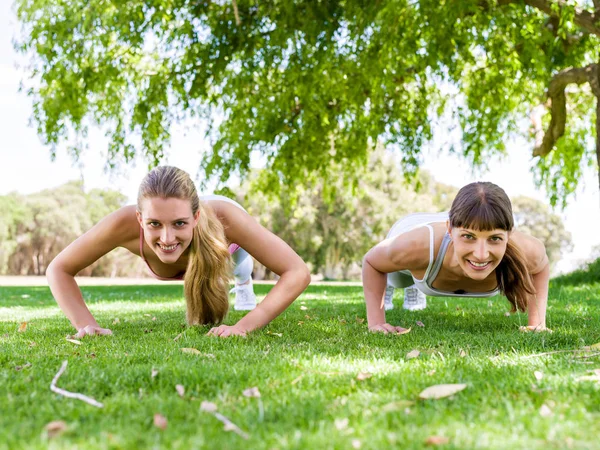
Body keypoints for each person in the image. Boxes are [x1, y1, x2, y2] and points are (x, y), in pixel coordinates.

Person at [46, 166, 311, 338]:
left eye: (179, 224)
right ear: (140, 219)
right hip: (196, 222)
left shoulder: (226, 219)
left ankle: (243, 281)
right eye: (154, 224)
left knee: (239, 266)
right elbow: (58, 268)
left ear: (195, 217)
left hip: (228, 245)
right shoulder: (121, 224)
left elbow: (297, 272)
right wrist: (85, 324)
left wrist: (243, 326)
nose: (167, 238)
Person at [362, 181, 551, 334]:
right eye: (469, 237)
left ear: (509, 235)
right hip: (415, 229)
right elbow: (372, 262)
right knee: (397, 279)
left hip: (454, 228)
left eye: (495, 238)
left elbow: (541, 268)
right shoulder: (416, 245)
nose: (481, 254)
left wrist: (537, 323)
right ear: (450, 231)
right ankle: (399, 286)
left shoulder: (527, 250)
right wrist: (376, 322)